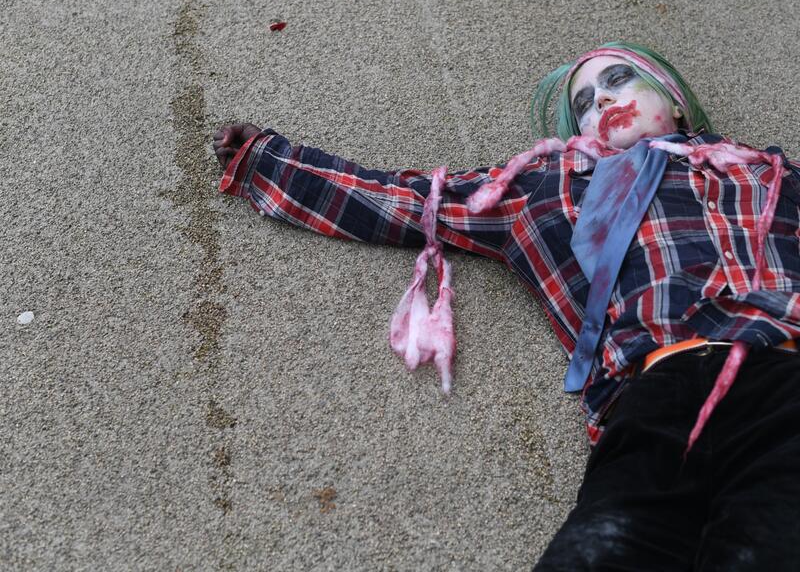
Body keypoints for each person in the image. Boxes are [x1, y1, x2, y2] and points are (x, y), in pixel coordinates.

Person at [212, 41, 800, 570]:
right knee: (601, 549)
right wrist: (268, 161)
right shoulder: (546, 185)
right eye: (587, 102)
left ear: (674, 101)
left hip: (783, 376)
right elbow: (408, 200)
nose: (604, 100)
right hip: (651, 390)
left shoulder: (770, 173)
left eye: (620, 79)